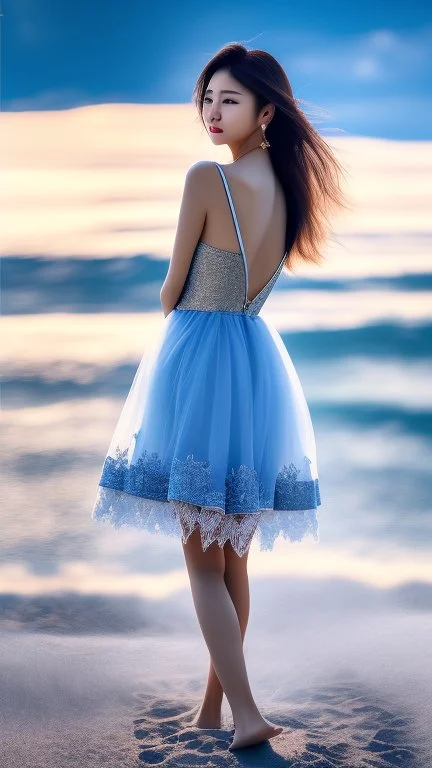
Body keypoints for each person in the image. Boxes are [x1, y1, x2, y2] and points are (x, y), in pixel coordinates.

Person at [91, 43, 347, 750]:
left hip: (202, 363)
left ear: (266, 112)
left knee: (202, 559)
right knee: (232, 557)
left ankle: (247, 714)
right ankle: (214, 709)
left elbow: (173, 289)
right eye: (207, 97)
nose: (211, 111)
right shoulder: (291, 193)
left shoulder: (208, 178)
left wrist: (174, 293)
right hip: (256, 367)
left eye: (228, 99)